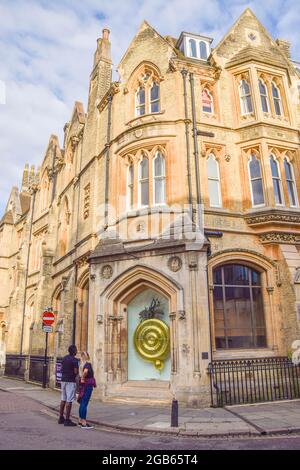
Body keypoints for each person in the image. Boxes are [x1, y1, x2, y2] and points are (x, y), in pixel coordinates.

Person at [58, 344, 79, 427]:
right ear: (74, 351)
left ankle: (60, 417)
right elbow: (75, 372)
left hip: (63, 380)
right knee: (69, 400)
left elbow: (61, 368)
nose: (77, 351)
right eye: (76, 350)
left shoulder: (64, 358)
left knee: (63, 398)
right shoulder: (74, 360)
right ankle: (67, 420)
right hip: (70, 381)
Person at [78, 351, 96, 429]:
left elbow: (83, 372)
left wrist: (82, 378)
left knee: (82, 402)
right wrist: (83, 377)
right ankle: (84, 423)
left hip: (83, 386)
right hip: (88, 385)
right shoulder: (88, 364)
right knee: (84, 403)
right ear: (87, 356)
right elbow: (86, 372)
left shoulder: (81, 365)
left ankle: (80, 420)